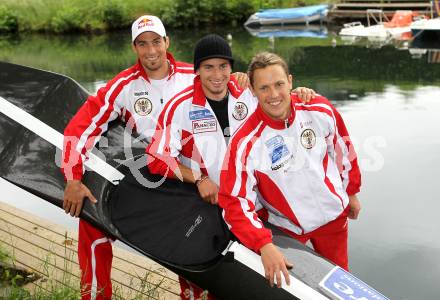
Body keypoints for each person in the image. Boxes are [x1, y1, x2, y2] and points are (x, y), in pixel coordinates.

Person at [147, 35, 316, 298]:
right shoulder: (179, 107)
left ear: (231, 68)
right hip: (208, 208)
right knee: (209, 283)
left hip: (255, 206)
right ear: (197, 70)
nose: (217, 74)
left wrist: (301, 95)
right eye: (208, 67)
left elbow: (280, 102)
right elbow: (157, 159)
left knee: (256, 282)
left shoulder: (248, 94)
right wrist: (199, 179)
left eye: (223, 66)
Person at [61, 15, 197, 300]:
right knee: (92, 223)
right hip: (145, 175)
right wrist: (73, 178)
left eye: (156, 42)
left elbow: (240, 101)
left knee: (194, 239)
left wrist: (243, 78)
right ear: (134, 48)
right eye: (142, 44)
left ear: (167, 42)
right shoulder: (122, 86)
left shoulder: (195, 76)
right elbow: (79, 130)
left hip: (187, 177)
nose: (151, 51)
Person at [218, 52, 361, 288]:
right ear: (252, 92)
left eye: (279, 84)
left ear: (291, 81)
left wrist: (352, 191)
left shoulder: (319, 109)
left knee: (340, 287)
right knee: (294, 292)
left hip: (333, 219)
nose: (273, 95)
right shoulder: (244, 142)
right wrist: (263, 244)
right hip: (289, 233)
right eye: (264, 88)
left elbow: (343, 149)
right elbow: (233, 202)